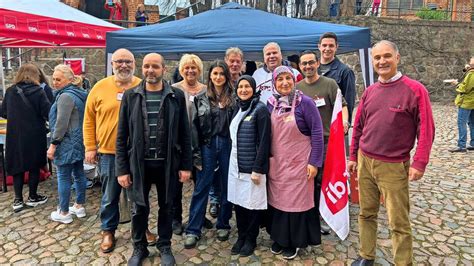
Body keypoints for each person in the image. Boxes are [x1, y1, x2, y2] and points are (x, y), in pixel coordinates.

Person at [348, 40, 435, 266]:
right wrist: (352, 156)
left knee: (398, 221)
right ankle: (366, 255)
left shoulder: (415, 90)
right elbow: (358, 126)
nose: (382, 61)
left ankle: (402, 262)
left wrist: (420, 163)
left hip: (394, 165)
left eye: (387, 56)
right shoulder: (370, 91)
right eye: (377, 58)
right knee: (366, 213)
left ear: (397, 58)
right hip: (365, 161)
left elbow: (426, 129)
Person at [116, 53, 192, 266]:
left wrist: (186, 165)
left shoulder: (175, 95)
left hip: (168, 163)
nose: (151, 70)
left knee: (167, 206)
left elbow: (185, 134)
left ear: (163, 69)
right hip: (139, 164)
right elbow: (122, 135)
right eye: (147, 66)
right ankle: (139, 246)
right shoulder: (131, 96)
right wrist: (121, 169)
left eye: (155, 66)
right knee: (139, 207)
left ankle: (165, 245)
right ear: (142, 69)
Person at [83, 48, 156, 253]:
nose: (124, 65)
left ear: (134, 64)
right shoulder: (99, 87)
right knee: (109, 195)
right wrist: (90, 146)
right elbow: (88, 120)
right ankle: (108, 230)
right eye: (119, 61)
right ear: (112, 64)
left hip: (137, 153)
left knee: (138, 195)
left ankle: (141, 229)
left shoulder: (143, 85)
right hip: (108, 152)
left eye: (128, 61)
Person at [266, 66, 324, 260]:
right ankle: (279, 238)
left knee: (296, 203)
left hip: (300, 163)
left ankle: (295, 242)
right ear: (274, 83)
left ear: (294, 80)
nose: (284, 83)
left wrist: (315, 162)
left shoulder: (305, 103)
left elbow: (317, 133)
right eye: (280, 79)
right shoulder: (270, 103)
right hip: (279, 164)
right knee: (278, 201)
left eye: (288, 78)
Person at [296, 50, 349, 234]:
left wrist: (344, 121)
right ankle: (311, 214)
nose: (308, 66)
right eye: (304, 64)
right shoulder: (298, 88)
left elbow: (342, 105)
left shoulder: (330, 84)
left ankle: (325, 215)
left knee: (324, 178)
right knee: (309, 178)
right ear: (300, 67)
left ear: (318, 63)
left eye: (311, 62)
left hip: (327, 140)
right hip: (305, 141)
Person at [184, 61, 235, 249]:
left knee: (226, 186)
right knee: (202, 186)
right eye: (215, 73)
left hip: (228, 145)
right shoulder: (201, 98)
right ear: (210, 76)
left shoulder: (234, 97)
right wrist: (195, 155)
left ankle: (223, 223)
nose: (218, 77)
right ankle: (193, 229)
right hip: (208, 145)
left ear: (226, 76)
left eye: (222, 73)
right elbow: (194, 128)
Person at [228, 75, 271, 257]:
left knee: (252, 206)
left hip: (252, 167)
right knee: (239, 204)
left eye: (247, 86)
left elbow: (264, 141)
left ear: (254, 89)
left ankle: (251, 239)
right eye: (240, 87)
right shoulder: (237, 108)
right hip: (236, 165)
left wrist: (258, 168)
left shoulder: (260, 110)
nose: (243, 90)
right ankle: (241, 235)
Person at [1, 63, 51, 212]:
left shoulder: (10, 91)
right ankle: (33, 196)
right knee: (34, 165)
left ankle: (17, 199)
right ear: (36, 75)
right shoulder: (38, 92)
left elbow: (3, 113)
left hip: (15, 134)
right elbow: (48, 112)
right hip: (35, 134)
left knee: (17, 166)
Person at [171, 54, 207, 235]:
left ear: (199, 70)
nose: (190, 71)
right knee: (177, 184)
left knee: (200, 183)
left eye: (194, 68)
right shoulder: (173, 89)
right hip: (179, 145)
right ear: (181, 70)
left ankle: (198, 215)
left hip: (201, 144)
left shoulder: (206, 90)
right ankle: (175, 218)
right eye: (187, 67)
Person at [47, 64, 88, 224]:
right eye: (54, 79)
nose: (55, 82)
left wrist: (53, 145)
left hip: (66, 142)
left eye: (58, 79)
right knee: (78, 174)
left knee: (63, 176)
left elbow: (61, 124)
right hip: (78, 140)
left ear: (69, 79)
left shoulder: (65, 96)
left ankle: (64, 212)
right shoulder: (79, 93)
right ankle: (79, 206)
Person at [318, 32, 356, 123]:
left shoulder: (345, 72)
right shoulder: (313, 69)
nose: (327, 49)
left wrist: (345, 124)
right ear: (319, 47)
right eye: (324, 45)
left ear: (336, 47)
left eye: (331, 45)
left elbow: (349, 102)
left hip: (335, 124)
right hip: (317, 124)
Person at [449, 56, 474, 152]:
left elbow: (464, 88)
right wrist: (467, 69)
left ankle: (461, 145)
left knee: (461, 122)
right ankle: (473, 143)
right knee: (472, 123)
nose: (470, 60)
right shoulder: (470, 72)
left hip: (467, 102)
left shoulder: (471, 74)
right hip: (472, 101)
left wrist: (456, 84)